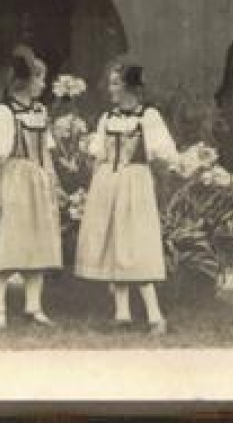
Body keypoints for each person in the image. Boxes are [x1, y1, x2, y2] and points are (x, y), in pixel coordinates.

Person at [74, 61, 178, 335]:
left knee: (135, 244)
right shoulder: (107, 119)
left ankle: (156, 316)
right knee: (112, 242)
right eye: (110, 83)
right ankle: (122, 314)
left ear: (131, 87)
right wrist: (96, 186)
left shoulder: (148, 117)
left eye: (116, 83)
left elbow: (164, 156)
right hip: (107, 184)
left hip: (135, 185)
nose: (111, 89)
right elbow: (99, 156)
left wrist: (157, 182)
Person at [0, 46, 62, 329]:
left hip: (38, 183)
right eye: (40, 79)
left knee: (38, 242)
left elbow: (46, 154)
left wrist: (54, 184)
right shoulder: (3, 113)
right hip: (13, 182)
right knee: (9, 243)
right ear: (26, 81)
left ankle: (33, 307)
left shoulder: (39, 111)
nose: (44, 84)